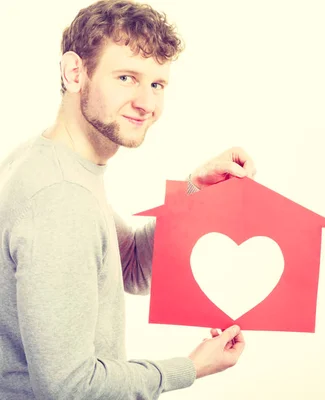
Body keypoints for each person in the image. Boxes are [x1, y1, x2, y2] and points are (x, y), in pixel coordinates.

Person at [0, 0, 254, 398]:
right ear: (75, 73)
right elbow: (69, 389)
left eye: (157, 84)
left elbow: (130, 266)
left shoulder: (50, 160)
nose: (147, 104)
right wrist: (191, 367)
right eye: (126, 77)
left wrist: (194, 191)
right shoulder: (61, 198)